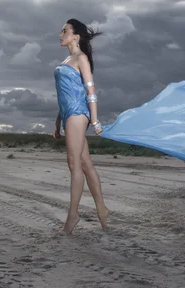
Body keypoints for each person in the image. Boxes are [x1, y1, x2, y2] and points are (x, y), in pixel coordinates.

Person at [52, 18, 109, 235]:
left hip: (78, 113)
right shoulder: (67, 59)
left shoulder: (81, 58)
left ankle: (73, 216)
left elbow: (90, 91)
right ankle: (102, 210)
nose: (60, 34)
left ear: (75, 36)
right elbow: (65, 95)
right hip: (68, 114)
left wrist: (94, 120)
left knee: (73, 163)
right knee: (85, 164)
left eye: (64, 30)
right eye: (61, 30)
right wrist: (58, 121)